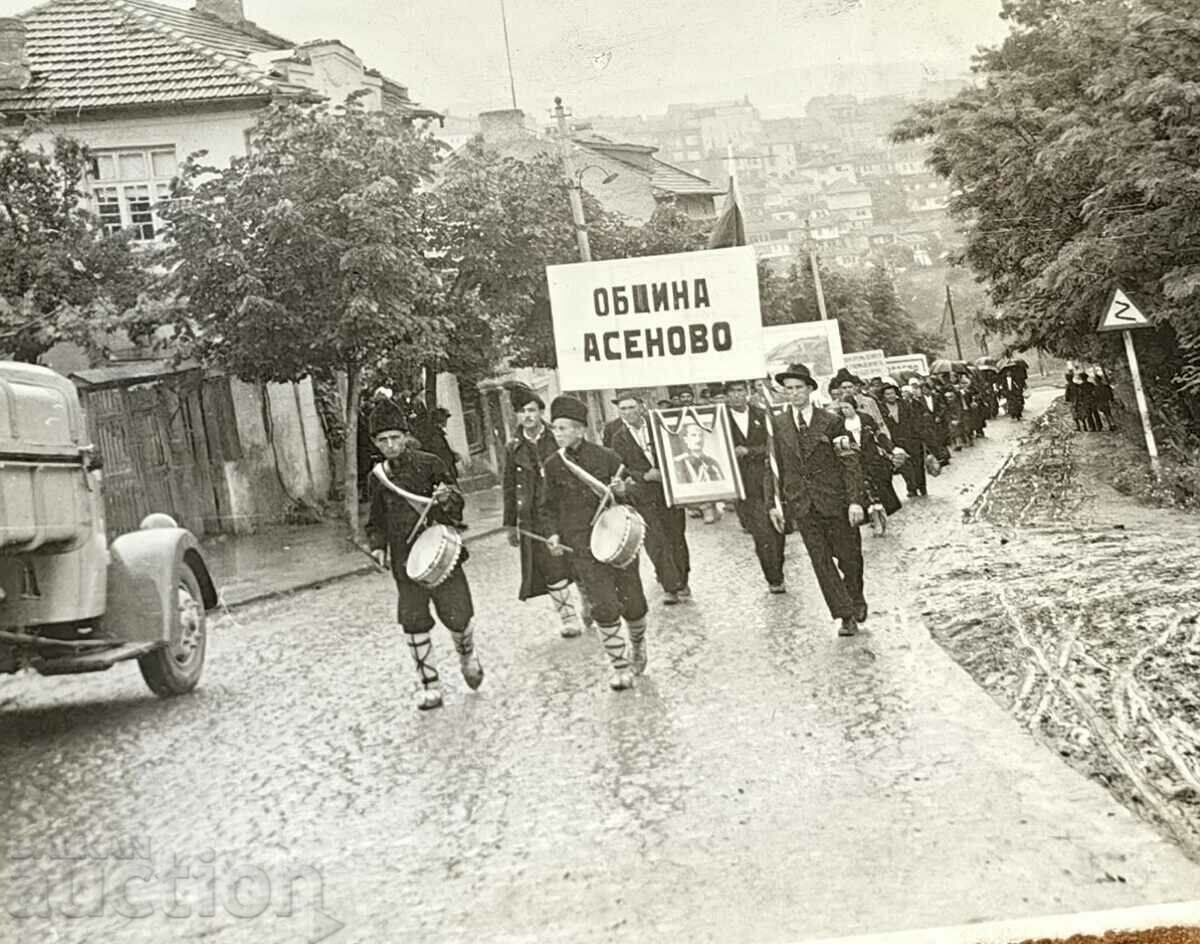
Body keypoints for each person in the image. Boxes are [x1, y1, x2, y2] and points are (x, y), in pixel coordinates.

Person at [365, 398, 482, 711]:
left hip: (442, 554)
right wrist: (377, 545)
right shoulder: (377, 478)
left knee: (458, 616)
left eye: (395, 437)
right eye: (383, 440)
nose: (391, 445)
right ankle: (430, 686)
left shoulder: (431, 463)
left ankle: (467, 656)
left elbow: (458, 505)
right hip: (406, 562)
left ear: (405, 436)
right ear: (376, 443)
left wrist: (446, 498)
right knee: (413, 621)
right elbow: (375, 521)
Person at [540, 395, 648, 690]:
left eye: (563, 428)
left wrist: (624, 489)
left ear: (579, 429)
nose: (557, 433)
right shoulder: (553, 464)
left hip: (617, 541)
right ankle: (620, 666)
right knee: (604, 605)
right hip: (582, 546)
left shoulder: (607, 457)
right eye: (555, 428)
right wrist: (552, 533)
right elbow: (546, 506)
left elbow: (635, 495)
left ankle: (638, 644)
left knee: (634, 604)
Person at [765, 363, 868, 637]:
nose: (794, 393)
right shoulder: (777, 424)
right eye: (789, 389)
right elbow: (774, 467)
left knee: (849, 558)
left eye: (799, 388)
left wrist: (855, 500)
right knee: (821, 562)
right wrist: (774, 504)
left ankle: (855, 598)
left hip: (835, 501)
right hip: (802, 504)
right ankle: (844, 614)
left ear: (810, 389)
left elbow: (850, 462)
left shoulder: (831, 421)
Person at [502, 384, 587, 638]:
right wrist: (510, 524)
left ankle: (589, 603)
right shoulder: (513, 447)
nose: (527, 416)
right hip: (533, 516)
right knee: (551, 568)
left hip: (564, 509)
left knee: (578, 560)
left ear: (540, 412)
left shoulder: (557, 436)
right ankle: (568, 617)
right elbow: (509, 486)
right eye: (521, 412)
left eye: (531, 410)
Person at [608, 390, 692, 605]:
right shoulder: (618, 437)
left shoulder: (659, 426)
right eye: (623, 409)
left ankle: (683, 580)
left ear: (641, 407)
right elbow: (620, 466)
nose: (627, 413)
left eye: (631, 407)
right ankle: (669, 586)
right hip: (642, 495)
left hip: (669, 490)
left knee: (676, 536)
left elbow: (679, 448)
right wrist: (643, 475)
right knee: (655, 540)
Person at [725, 379, 786, 592]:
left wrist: (749, 451)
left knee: (776, 531)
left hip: (768, 482)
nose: (736, 396)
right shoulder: (720, 421)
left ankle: (778, 568)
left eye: (740, 390)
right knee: (762, 533)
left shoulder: (763, 415)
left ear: (748, 392)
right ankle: (774, 578)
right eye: (732, 392)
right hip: (743, 487)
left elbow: (773, 446)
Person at [832, 396, 901, 536]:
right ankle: (876, 521)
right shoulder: (840, 424)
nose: (845, 411)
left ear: (854, 407)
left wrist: (891, 448)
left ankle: (881, 517)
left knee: (878, 490)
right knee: (867, 492)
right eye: (842, 408)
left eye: (847, 407)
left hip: (873, 459)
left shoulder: (866, 419)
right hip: (856, 463)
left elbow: (879, 436)